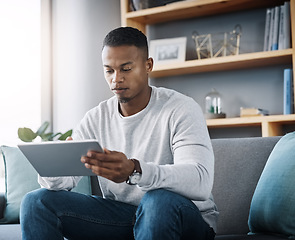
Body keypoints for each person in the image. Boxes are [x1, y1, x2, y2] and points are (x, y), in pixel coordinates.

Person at [20, 26, 218, 240]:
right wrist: (57, 164)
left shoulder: (181, 108)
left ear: (148, 65)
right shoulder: (96, 118)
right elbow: (62, 185)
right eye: (109, 70)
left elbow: (200, 181)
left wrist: (135, 170)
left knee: (156, 201)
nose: (116, 79)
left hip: (183, 216)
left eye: (126, 69)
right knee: (36, 202)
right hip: (124, 217)